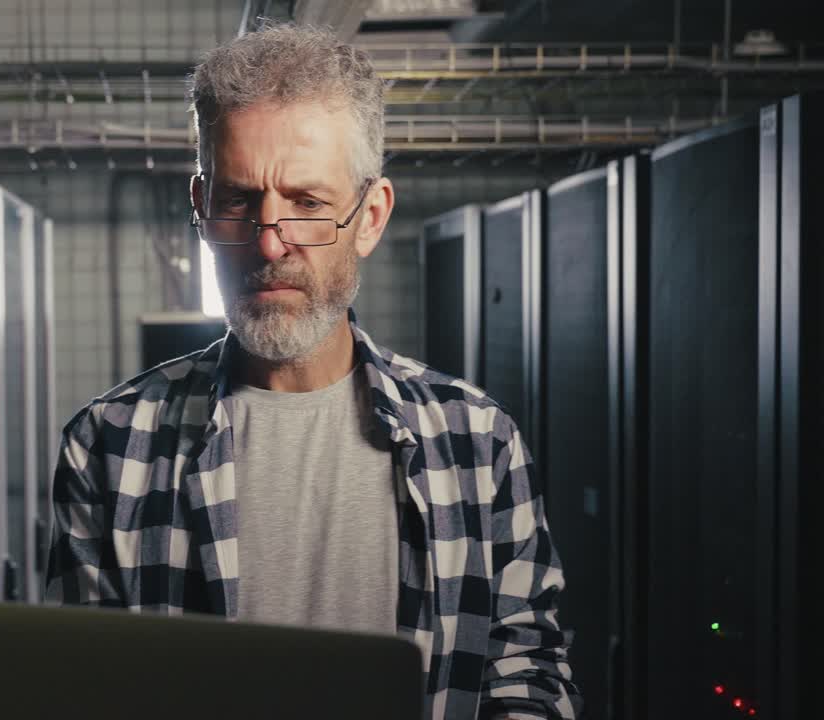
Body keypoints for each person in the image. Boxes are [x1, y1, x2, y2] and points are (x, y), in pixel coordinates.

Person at [46, 22, 580, 720]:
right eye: (239, 201)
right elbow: (84, 691)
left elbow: (527, 675)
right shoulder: (110, 446)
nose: (271, 244)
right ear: (201, 208)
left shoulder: (478, 445)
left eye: (308, 203)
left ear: (371, 216)